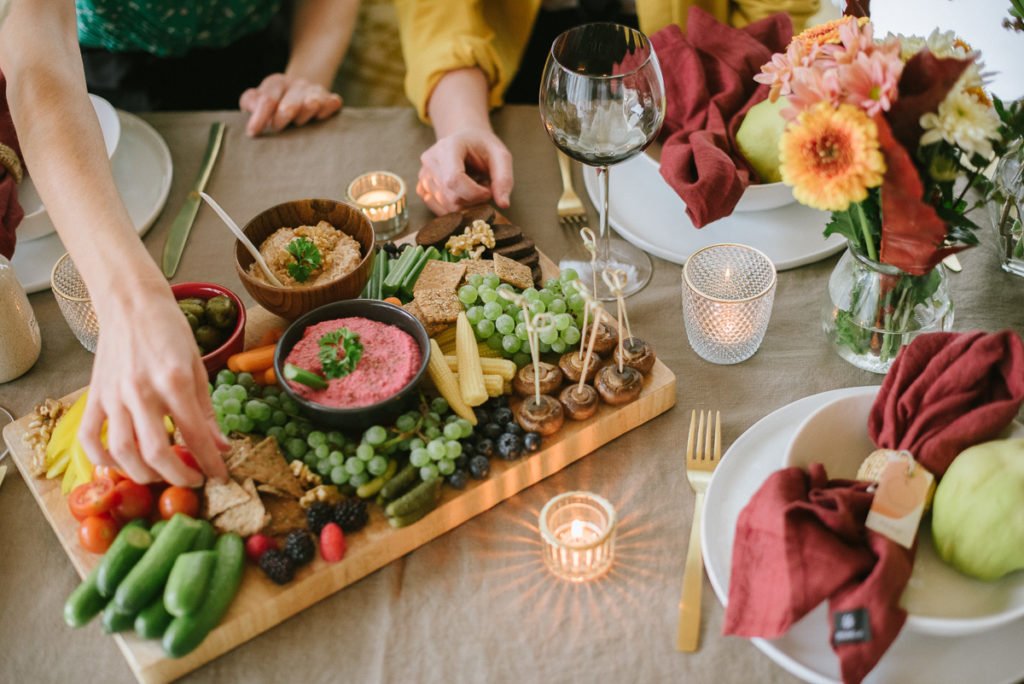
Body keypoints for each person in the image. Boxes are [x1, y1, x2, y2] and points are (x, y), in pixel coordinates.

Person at [0, 0, 354, 485]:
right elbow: (35, 40)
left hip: (263, 59)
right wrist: (129, 299)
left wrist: (308, 70)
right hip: (99, 83)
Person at [394, 0, 821, 215]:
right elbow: (439, 18)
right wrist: (464, 125)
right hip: (515, 72)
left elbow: (774, 16)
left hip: (683, 66)